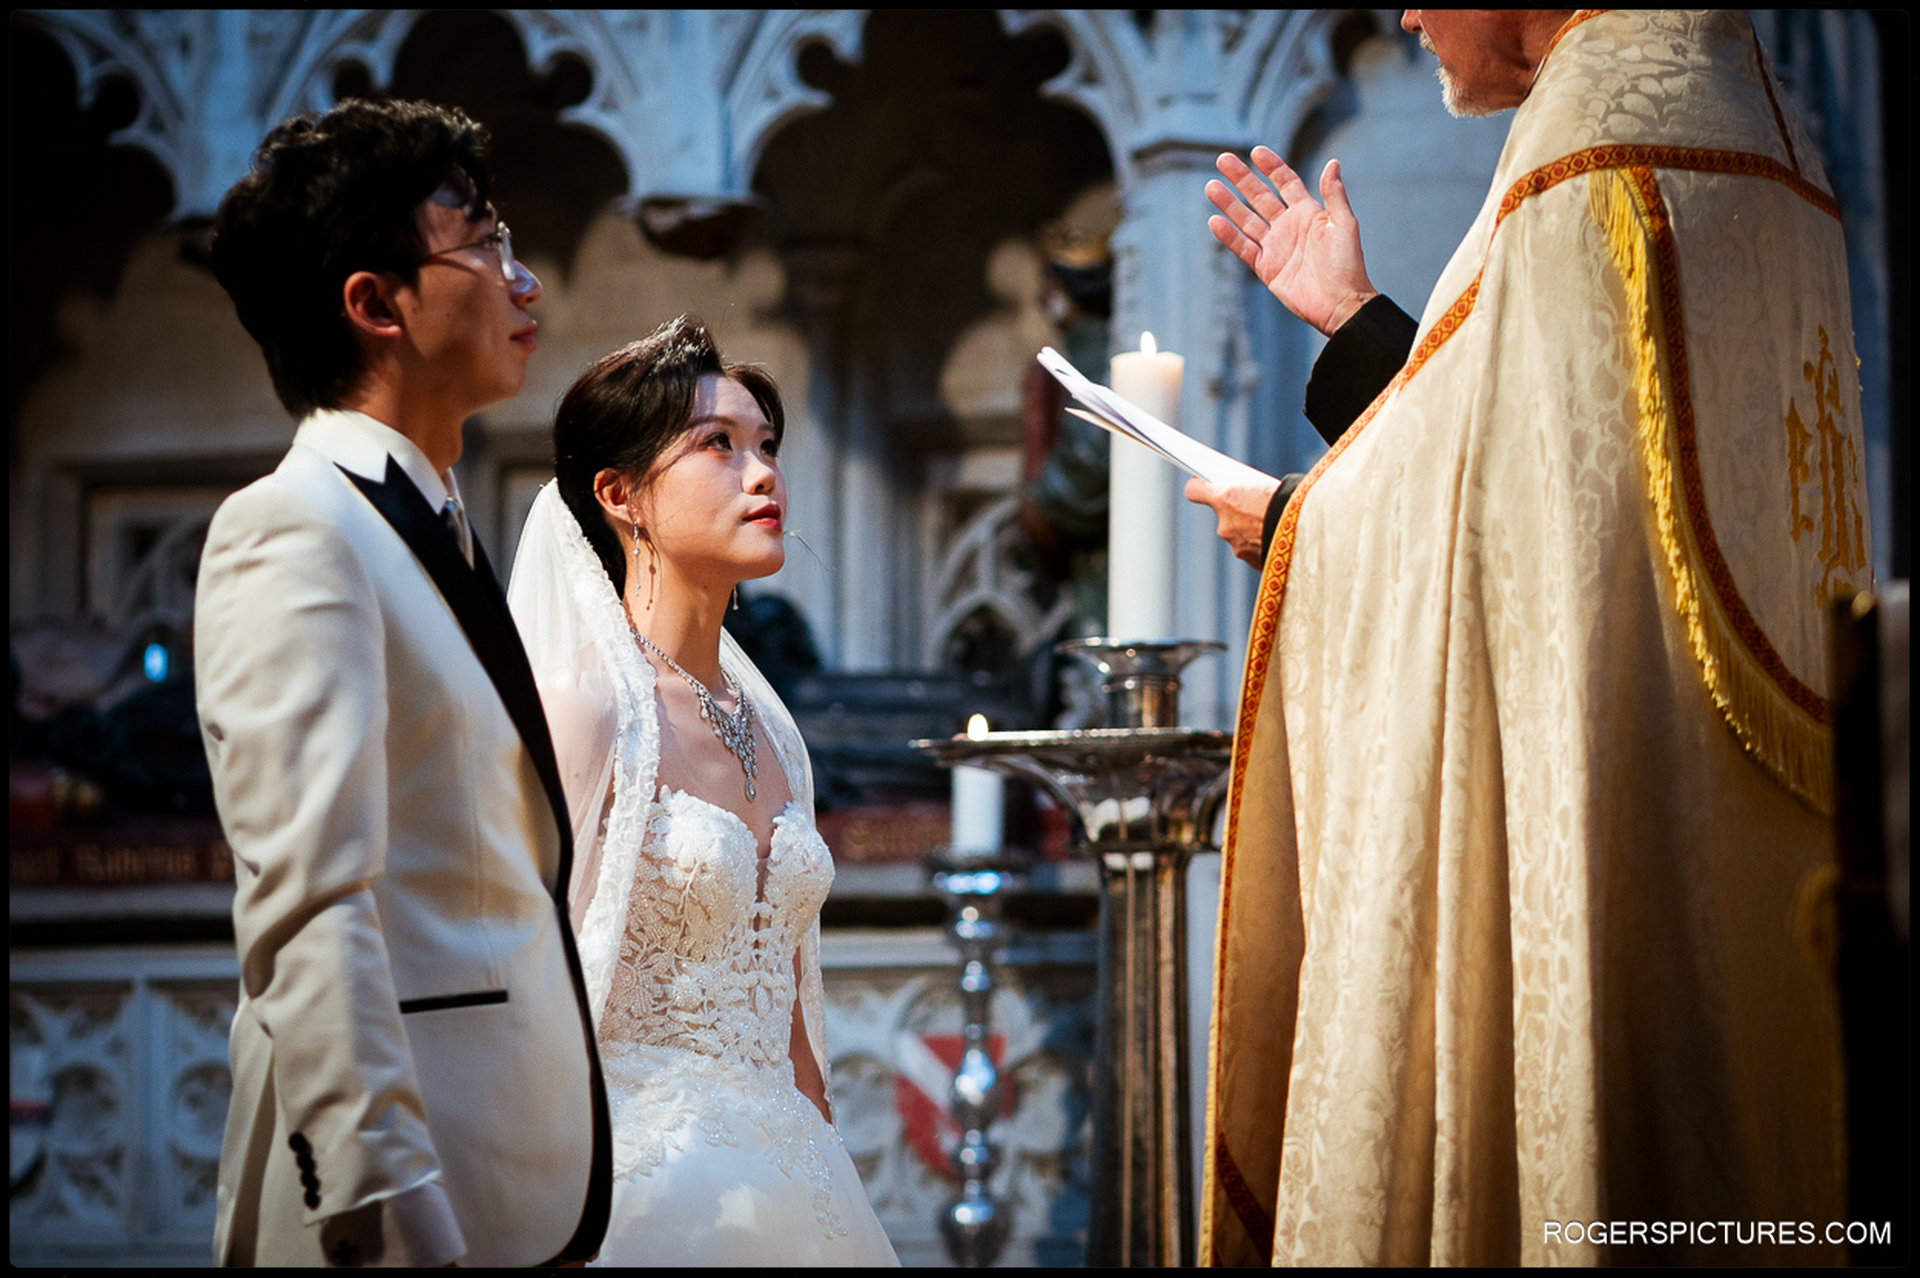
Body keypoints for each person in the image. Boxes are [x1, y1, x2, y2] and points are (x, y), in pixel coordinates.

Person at [1187, 10, 1872, 1265]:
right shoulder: (1754, 124)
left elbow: (1499, 522)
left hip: (1602, 801)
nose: (1402, 16)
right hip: (1749, 846)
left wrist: (1290, 519)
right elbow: (1548, 461)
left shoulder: (1588, 144)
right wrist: (1351, 319)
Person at [195, 98, 609, 1266]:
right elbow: (310, 904)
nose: (525, 283)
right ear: (374, 304)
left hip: (507, 1171)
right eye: (484, 246)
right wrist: (388, 1201)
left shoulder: (438, 522)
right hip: (400, 1205)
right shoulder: (292, 526)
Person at [506, 317, 899, 1266]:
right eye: (717, 446)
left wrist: (825, 1165)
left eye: (766, 445)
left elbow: (793, 1004)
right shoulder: (585, 710)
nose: (762, 473)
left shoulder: (775, 732)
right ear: (620, 495)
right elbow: (529, 986)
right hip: (647, 1189)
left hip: (798, 1180)